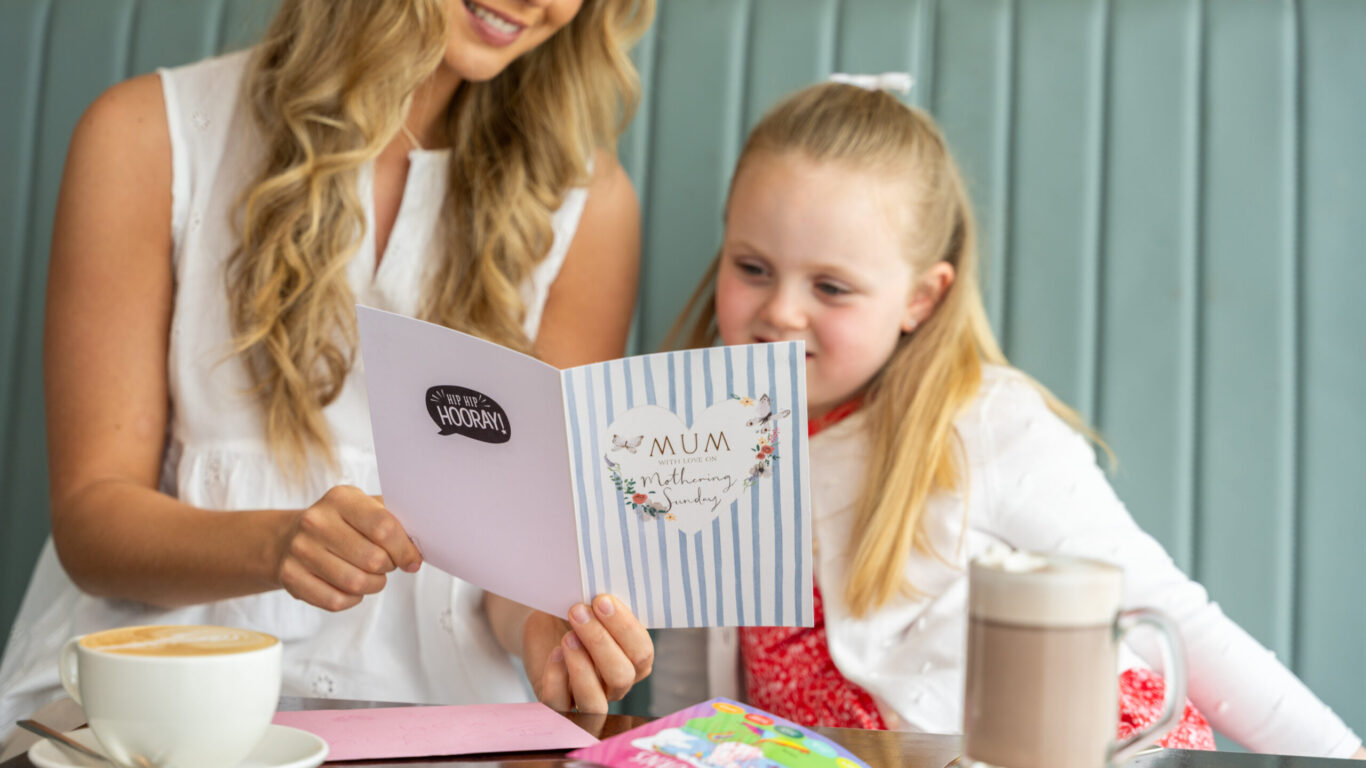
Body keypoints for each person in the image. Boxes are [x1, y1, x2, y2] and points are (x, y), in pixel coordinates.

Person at [0, 0, 657, 736]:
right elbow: (93, 521)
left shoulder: (586, 204)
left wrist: (545, 630)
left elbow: (520, 552)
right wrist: (278, 545)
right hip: (161, 703)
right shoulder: (145, 137)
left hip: (440, 716)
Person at [661, 78, 1365, 757]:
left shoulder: (981, 423)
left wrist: (1341, 755)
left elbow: (1172, 619)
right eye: (752, 267)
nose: (781, 311)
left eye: (831, 287)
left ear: (920, 299)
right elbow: (693, 657)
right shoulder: (711, 436)